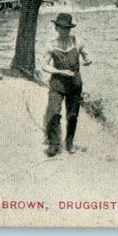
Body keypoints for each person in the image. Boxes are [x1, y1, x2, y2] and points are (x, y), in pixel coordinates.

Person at [41, 13, 92, 157]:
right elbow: (44, 66)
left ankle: (69, 143)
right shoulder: (51, 44)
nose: (64, 32)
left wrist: (88, 60)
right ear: (56, 28)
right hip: (57, 84)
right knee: (53, 112)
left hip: (74, 85)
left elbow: (88, 56)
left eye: (67, 29)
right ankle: (53, 144)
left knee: (72, 115)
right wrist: (59, 71)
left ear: (70, 29)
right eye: (62, 28)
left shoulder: (78, 42)